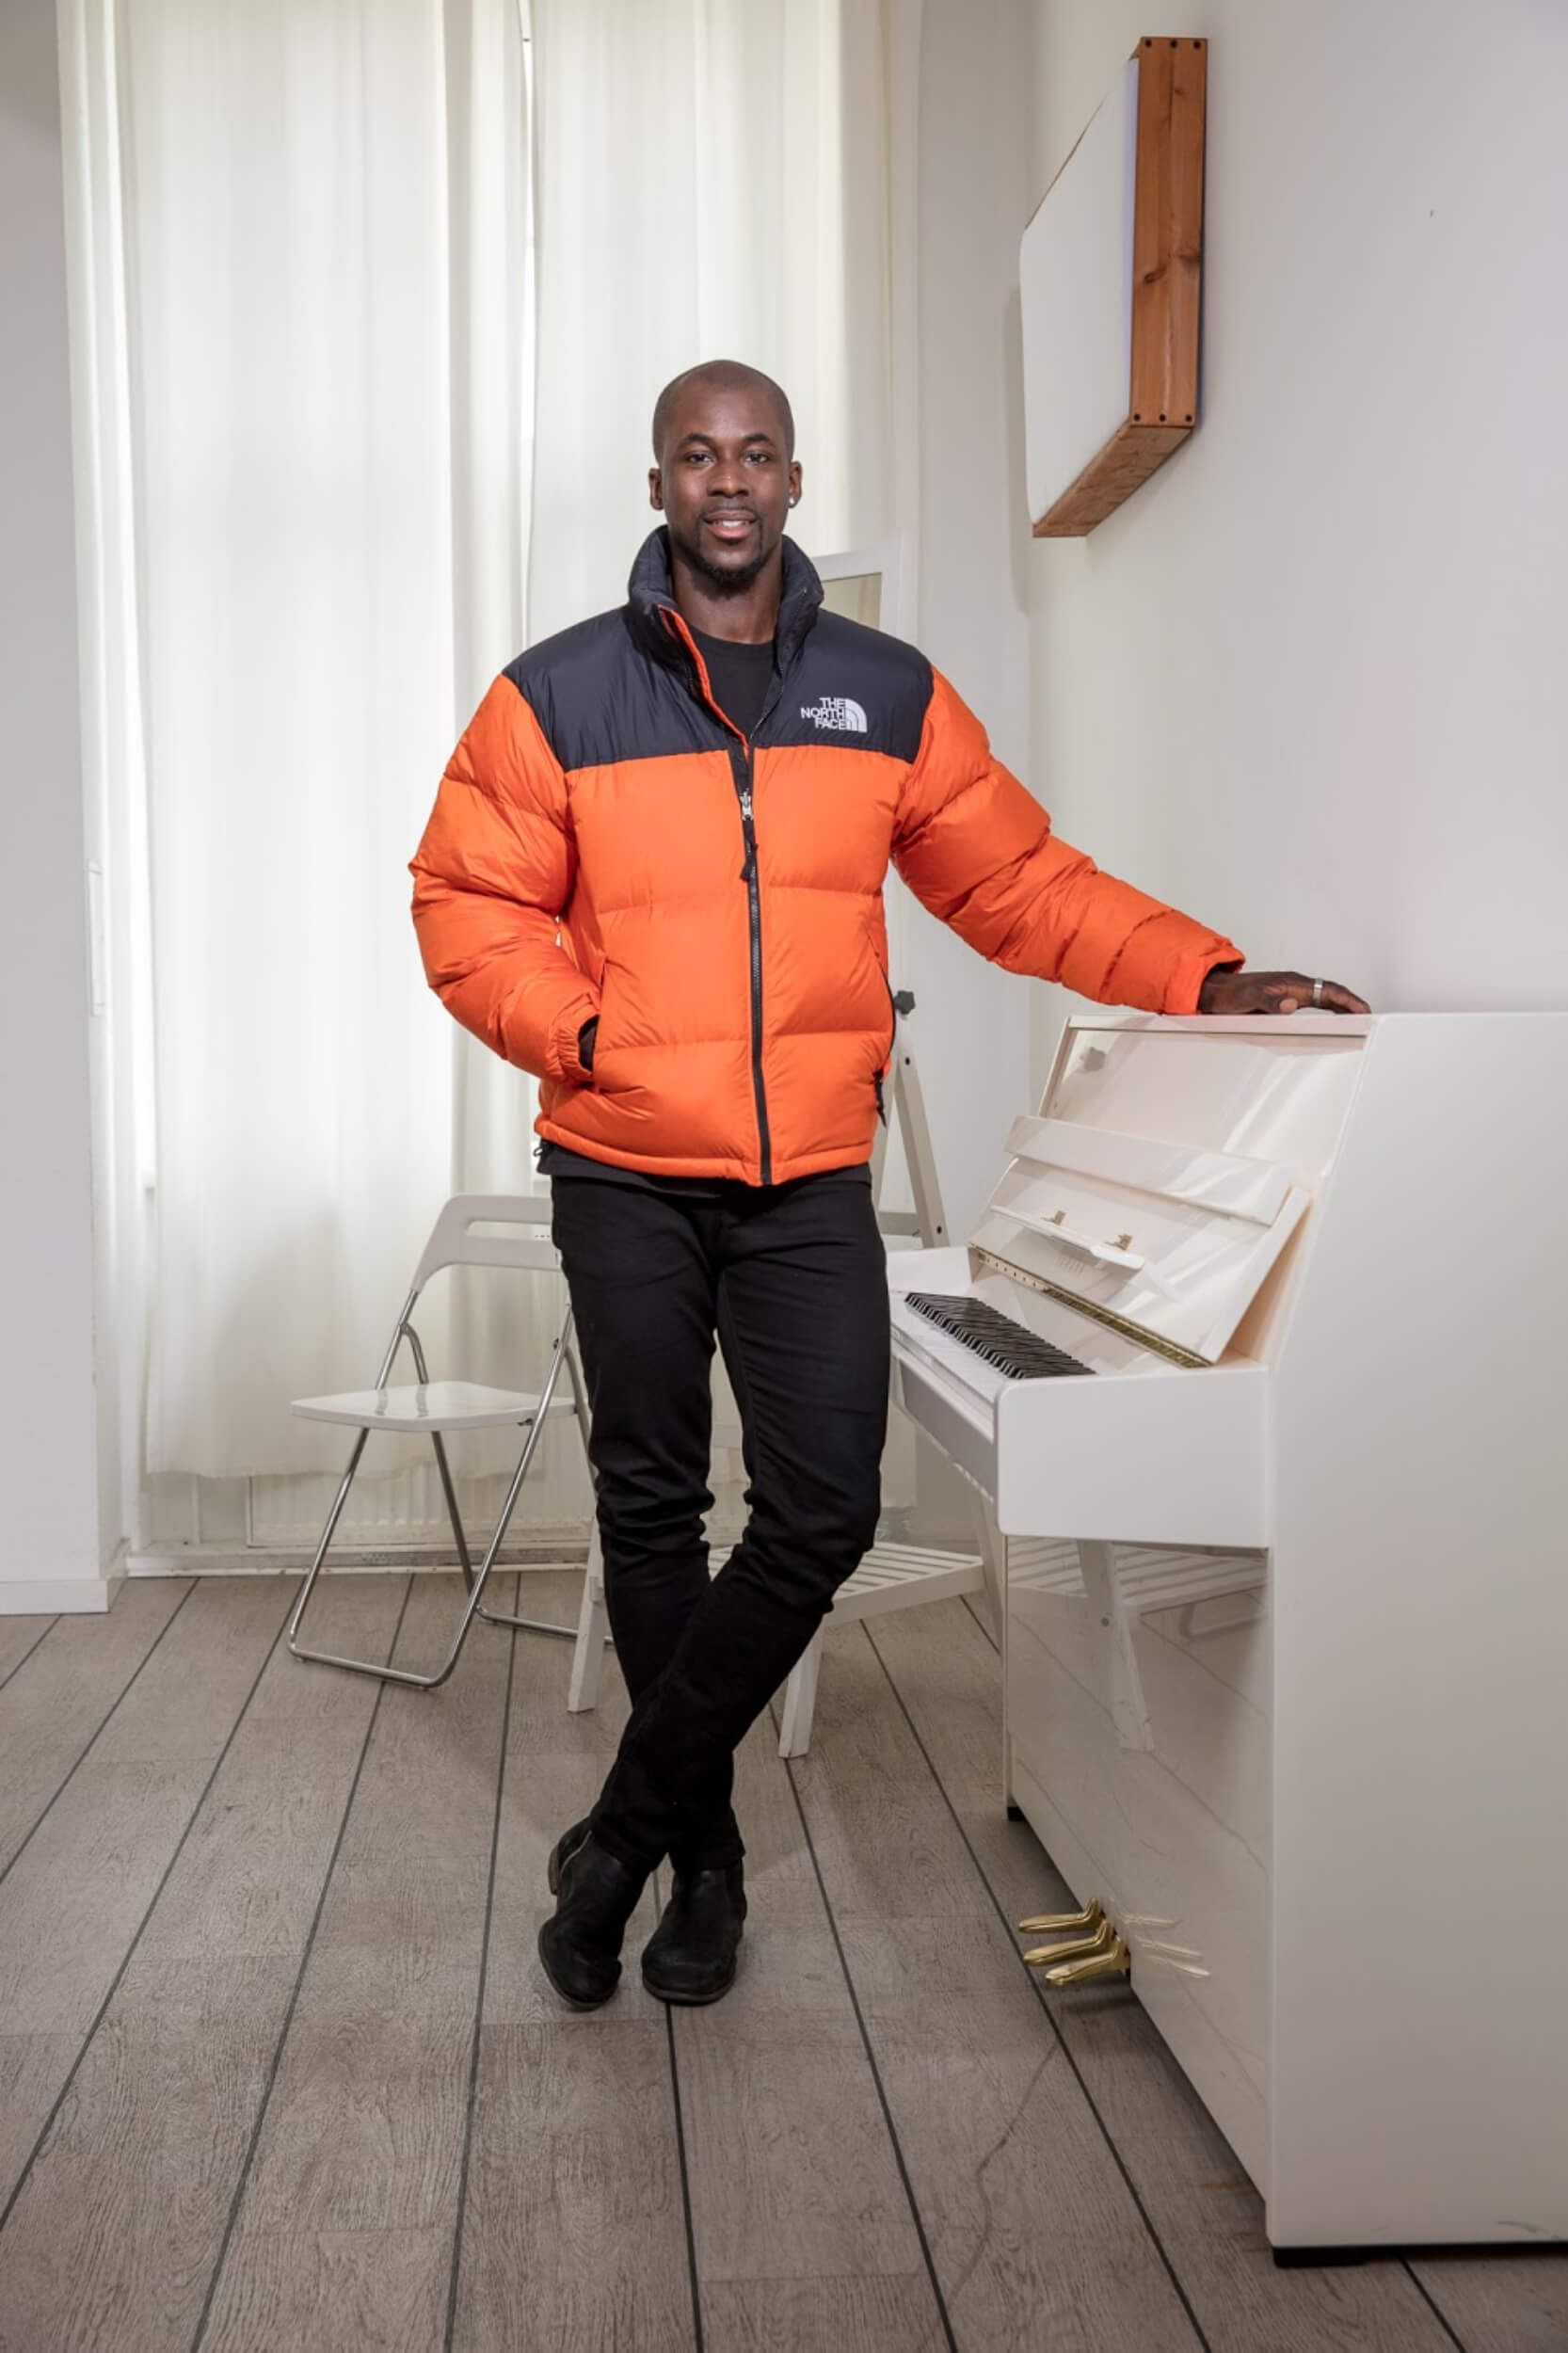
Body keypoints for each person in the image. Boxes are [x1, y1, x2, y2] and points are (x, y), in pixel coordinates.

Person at [408, 359, 1368, 2012]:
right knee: (648, 1511)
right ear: (656, 489)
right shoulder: (551, 696)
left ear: (793, 481)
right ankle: (705, 1866)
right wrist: (585, 1036)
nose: (727, 482)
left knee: (824, 1510)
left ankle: (622, 1840)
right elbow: (463, 905)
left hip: (803, 1188)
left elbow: (1015, 884)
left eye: (756, 454)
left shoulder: (884, 691)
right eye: (695, 457)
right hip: (623, 1168)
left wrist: (1199, 982)